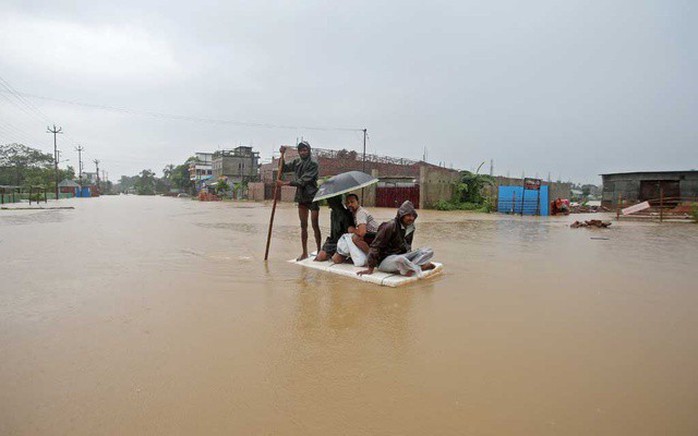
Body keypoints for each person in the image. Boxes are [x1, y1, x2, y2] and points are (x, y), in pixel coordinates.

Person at [357, 200, 435, 277]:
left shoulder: (411, 227)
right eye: (408, 215)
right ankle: (416, 267)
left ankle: (410, 268)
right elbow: (375, 247)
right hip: (385, 260)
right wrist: (370, 268)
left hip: (402, 256)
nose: (411, 218)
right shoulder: (390, 226)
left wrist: (412, 256)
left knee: (428, 251)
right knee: (400, 259)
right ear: (401, 215)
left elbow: (408, 245)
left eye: (413, 216)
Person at [278, 141, 321, 260]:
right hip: (301, 196)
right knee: (303, 225)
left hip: (312, 196)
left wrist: (285, 183)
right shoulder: (297, 162)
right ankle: (304, 252)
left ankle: (319, 251)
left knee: (315, 225)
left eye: (305, 150)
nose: (303, 152)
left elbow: (303, 181)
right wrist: (282, 155)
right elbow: (283, 168)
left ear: (309, 150)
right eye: (301, 150)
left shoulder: (313, 164)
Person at [331, 193, 379, 266]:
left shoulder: (360, 213)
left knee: (355, 238)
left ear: (358, 202)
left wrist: (352, 229)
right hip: (369, 236)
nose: (350, 204)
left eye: (352, 202)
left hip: (375, 236)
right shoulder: (353, 213)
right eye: (347, 203)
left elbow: (362, 232)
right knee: (336, 258)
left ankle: (373, 258)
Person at [314, 195, 354, 262]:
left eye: (330, 201)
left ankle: (344, 255)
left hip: (343, 242)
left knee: (336, 260)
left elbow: (348, 235)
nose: (328, 203)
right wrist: (326, 245)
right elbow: (332, 232)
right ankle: (331, 253)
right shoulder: (333, 213)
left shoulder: (346, 214)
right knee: (320, 257)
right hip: (333, 241)